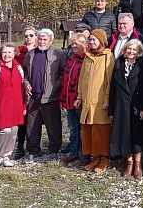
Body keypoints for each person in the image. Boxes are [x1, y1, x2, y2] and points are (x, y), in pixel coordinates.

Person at [109, 39, 143, 179]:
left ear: (139, 51)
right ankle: (129, 163)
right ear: (125, 49)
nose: (131, 51)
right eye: (129, 49)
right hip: (121, 106)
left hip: (136, 106)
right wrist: (111, 110)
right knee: (125, 135)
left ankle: (138, 165)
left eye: (134, 49)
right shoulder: (119, 64)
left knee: (137, 135)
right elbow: (113, 88)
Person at [22, 28, 66, 162]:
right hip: (33, 97)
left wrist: (56, 85)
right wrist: (26, 83)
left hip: (50, 97)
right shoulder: (31, 54)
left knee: (53, 125)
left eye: (44, 39)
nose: (42, 42)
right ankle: (33, 150)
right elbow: (25, 72)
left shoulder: (58, 53)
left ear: (50, 41)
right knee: (32, 126)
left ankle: (53, 150)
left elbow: (63, 72)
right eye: (40, 39)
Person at [74, 29, 115, 173]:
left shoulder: (108, 57)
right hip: (87, 100)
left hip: (100, 101)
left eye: (94, 40)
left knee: (101, 131)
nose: (91, 42)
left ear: (101, 41)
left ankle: (104, 159)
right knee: (89, 130)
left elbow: (110, 81)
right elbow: (82, 78)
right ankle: (95, 157)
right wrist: (79, 97)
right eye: (90, 39)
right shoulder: (88, 56)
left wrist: (107, 99)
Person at [0, 43, 27, 170]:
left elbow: (22, 88)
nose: (7, 55)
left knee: (14, 131)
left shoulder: (18, 67)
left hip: (16, 105)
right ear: (0, 53)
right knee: (5, 131)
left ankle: (7, 156)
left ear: (14, 54)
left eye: (10, 52)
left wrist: (24, 106)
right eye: (4, 52)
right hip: (1, 104)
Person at [60, 33, 88, 164]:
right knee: (73, 128)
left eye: (77, 43)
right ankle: (73, 152)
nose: (74, 46)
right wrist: (63, 98)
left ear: (84, 44)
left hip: (81, 99)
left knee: (83, 129)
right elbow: (66, 79)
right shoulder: (71, 59)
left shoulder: (87, 59)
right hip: (69, 99)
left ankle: (84, 153)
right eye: (72, 44)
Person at [14, 26, 37, 159]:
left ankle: (33, 145)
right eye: (26, 36)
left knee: (34, 118)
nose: (28, 38)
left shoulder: (40, 49)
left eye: (31, 35)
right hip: (21, 87)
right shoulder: (19, 51)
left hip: (37, 87)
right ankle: (20, 146)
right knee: (22, 118)